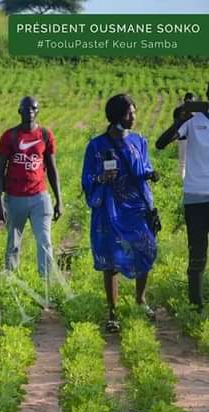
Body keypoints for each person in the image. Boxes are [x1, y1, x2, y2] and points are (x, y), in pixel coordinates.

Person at [82, 94, 160, 332]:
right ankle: (112, 311)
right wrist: (100, 178)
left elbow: (143, 167)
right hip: (110, 208)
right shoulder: (97, 146)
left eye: (134, 112)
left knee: (145, 250)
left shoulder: (140, 141)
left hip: (136, 207)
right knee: (112, 259)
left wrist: (150, 174)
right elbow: (87, 178)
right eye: (129, 113)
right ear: (117, 116)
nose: (134, 117)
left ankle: (140, 300)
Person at [0, 96, 63, 277]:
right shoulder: (9, 136)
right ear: (19, 111)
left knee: (45, 240)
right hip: (14, 197)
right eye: (25, 109)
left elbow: (52, 168)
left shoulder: (45, 135)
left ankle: (45, 281)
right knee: (13, 242)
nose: (29, 112)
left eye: (33, 109)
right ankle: (11, 279)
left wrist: (59, 200)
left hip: (40, 197)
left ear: (38, 111)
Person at [156, 83, 209, 311]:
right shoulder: (193, 121)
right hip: (196, 196)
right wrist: (181, 118)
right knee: (197, 253)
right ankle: (195, 305)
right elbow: (160, 143)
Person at [174, 92, 197, 178]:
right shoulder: (181, 111)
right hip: (186, 138)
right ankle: (183, 180)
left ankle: (184, 179)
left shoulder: (178, 110)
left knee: (184, 162)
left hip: (185, 138)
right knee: (184, 161)